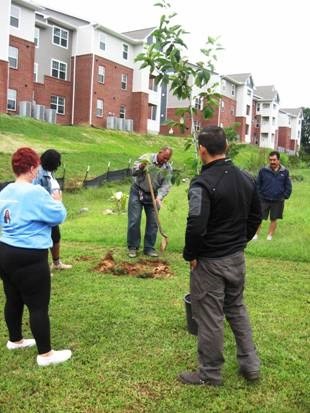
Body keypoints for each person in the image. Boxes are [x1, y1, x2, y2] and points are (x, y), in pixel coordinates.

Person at [180, 126, 262, 386]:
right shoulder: (247, 178)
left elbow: (196, 224)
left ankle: (210, 374)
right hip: (236, 258)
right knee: (236, 308)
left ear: (201, 150)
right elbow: (256, 216)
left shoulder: (201, 183)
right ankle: (251, 365)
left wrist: (191, 254)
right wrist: (240, 241)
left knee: (210, 316)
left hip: (210, 263)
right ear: (226, 147)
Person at [0, 147, 72, 366]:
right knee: (38, 305)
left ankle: (15, 340)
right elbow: (59, 216)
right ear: (32, 168)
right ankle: (46, 354)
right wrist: (57, 199)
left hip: (4, 251)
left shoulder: (4, 191)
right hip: (30, 256)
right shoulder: (36, 192)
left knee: (12, 298)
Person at [127, 147, 173, 258]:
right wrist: (141, 167)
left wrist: (159, 197)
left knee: (153, 222)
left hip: (154, 196)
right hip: (137, 191)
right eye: (164, 157)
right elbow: (133, 171)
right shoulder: (146, 158)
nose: (165, 160)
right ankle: (133, 247)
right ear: (160, 152)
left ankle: (149, 248)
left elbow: (166, 184)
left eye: (167, 159)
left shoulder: (167, 168)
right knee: (134, 219)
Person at [33, 149, 72, 270]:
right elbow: (35, 194)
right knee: (43, 239)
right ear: (52, 163)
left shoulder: (49, 172)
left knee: (55, 236)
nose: (58, 165)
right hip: (42, 213)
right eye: (57, 162)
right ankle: (42, 268)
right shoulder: (38, 175)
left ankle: (56, 263)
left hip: (51, 211)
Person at [253, 150, 292, 241]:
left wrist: (284, 196)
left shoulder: (285, 172)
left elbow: (288, 186)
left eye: (274, 160)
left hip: (278, 200)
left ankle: (269, 236)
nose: (272, 162)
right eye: (270, 160)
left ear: (278, 160)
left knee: (274, 219)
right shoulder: (263, 171)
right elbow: (258, 184)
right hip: (264, 199)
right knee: (259, 217)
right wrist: (259, 196)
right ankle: (255, 235)